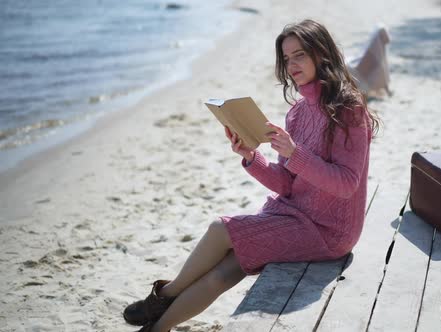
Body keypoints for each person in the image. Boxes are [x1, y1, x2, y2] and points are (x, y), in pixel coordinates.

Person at [123, 19, 380, 332]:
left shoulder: (348, 110)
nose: (292, 65)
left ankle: (163, 295)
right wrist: (250, 156)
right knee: (224, 271)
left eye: (299, 55)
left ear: (321, 54)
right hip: (295, 214)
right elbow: (286, 185)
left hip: (330, 231)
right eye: (287, 59)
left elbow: (346, 185)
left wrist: (293, 153)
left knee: (221, 229)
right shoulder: (297, 112)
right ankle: (157, 327)